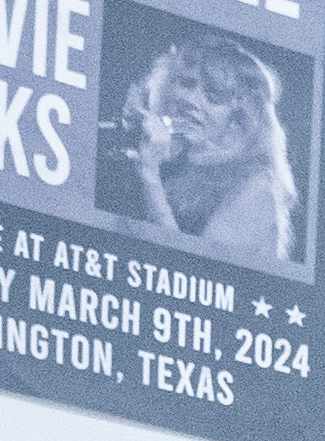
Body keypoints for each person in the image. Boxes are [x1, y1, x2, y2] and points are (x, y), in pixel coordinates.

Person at [110, 33, 305, 266]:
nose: (192, 100)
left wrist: (149, 175)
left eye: (213, 96)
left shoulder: (258, 188)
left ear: (238, 120)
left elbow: (195, 273)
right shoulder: (178, 160)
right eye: (187, 83)